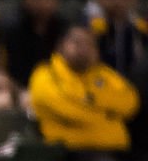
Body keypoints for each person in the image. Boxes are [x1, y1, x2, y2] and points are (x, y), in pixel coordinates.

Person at [29, 24, 140, 154]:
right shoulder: (45, 73)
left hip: (116, 148)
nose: (84, 48)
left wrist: (93, 100)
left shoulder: (105, 74)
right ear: (60, 46)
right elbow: (68, 111)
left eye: (89, 44)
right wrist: (107, 115)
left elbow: (130, 103)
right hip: (69, 151)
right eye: (77, 42)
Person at [4, 0, 69, 90]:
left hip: (57, 89)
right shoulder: (11, 28)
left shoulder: (64, 27)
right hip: (20, 89)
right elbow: (12, 72)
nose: (43, 2)